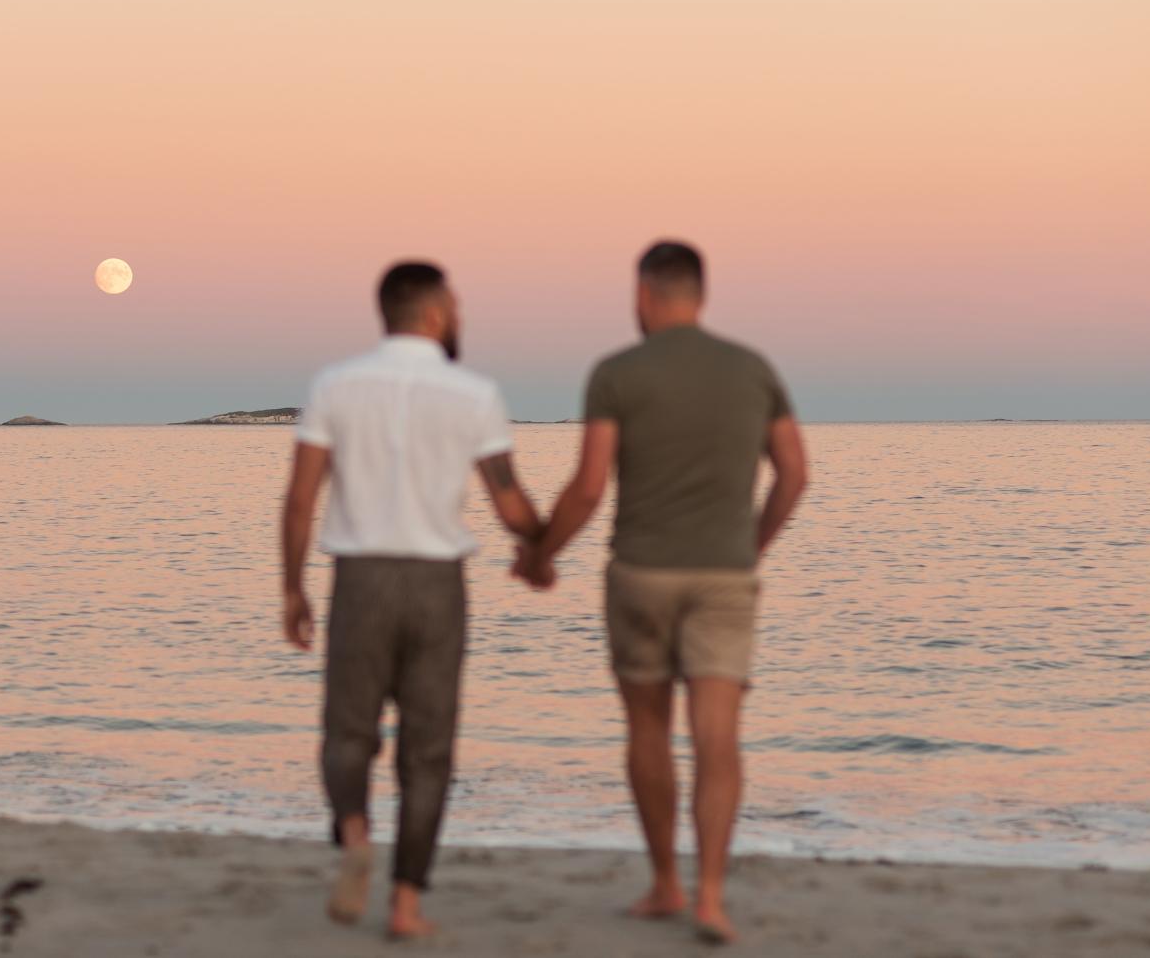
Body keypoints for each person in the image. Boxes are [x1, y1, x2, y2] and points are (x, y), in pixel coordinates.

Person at [517, 240, 808, 945]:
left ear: (644, 295)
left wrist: (541, 554)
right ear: (699, 295)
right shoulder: (753, 368)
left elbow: (589, 487)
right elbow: (795, 474)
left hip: (641, 573)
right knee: (717, 736)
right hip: (723, 576)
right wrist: (751, 545)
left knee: (648, 729)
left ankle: (665, 883)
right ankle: (710, 896)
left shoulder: (617, 372)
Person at [281, 261, 545, 939]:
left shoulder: (336, 385)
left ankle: (354, 831)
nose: (460, 315)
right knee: (428, 749)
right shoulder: (474, 392)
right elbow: (509, 500)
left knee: (347, 732)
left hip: (361, 579)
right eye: (455, 305)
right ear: (432, 313)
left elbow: (302, 498)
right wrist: (539, 549)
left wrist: (293, 585)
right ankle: (404, 904)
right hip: (436, 586)